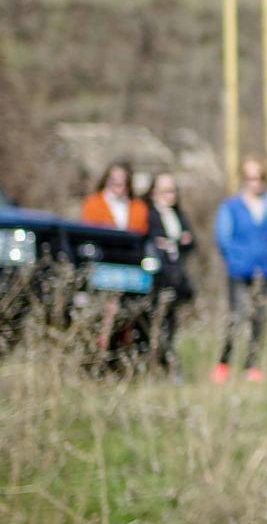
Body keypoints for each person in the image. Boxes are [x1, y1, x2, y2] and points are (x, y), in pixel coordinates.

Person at [213, 156, 267, 382]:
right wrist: (235, 260)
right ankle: (224, 362)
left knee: (259, 318)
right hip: (239, 269)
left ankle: (252, 365)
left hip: (265, 269)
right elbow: (223, 237)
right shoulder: (231, 206)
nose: (254, 183)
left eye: (259, 178)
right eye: (250, 178)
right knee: (236, 317)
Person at [141, 172, 196, 376]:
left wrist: (183, 242)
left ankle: (168, 363)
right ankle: (153, 363)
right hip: (156, 276)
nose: (169, 195)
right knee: (154, 321)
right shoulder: (149, 213)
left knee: (170, 323)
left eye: (172, 190)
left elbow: (190, 241)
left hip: (175, 276)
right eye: (165, 190)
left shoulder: (177, 214)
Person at [80, 161, 146, 233]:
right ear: (106, 180)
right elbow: (89, 229)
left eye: (122, 179)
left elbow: (142, 231)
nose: (118, 181)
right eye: (113, 179)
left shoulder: (138, 206)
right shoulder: (93, 202)